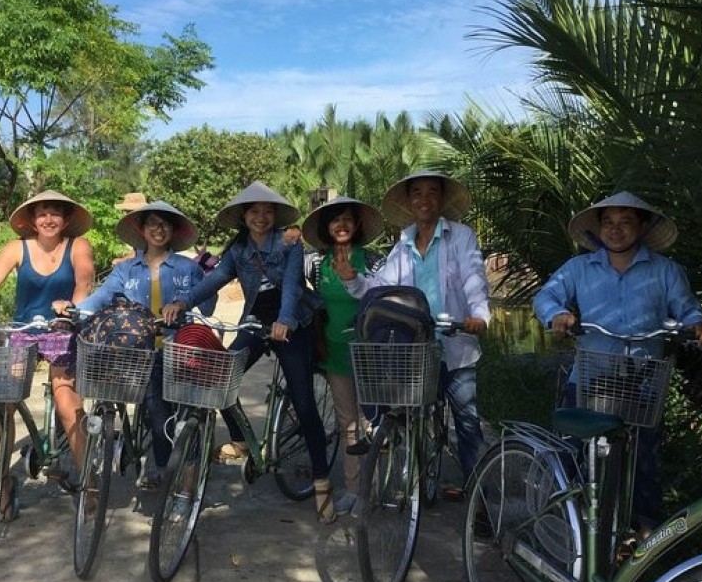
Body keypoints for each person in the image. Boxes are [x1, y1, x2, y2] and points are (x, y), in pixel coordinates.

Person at [533, 191, 702, 530]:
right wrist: (557, 314)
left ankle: (644, 538)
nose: (615, 230)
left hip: (644, 382)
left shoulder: (666, 271)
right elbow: (546, 295)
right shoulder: (579, 268)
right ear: (599, 228)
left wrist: (698, 325)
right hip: (590, 377)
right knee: (572, 451)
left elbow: (688, 308)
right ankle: (559, 522)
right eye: (608, 222)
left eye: (625, 222)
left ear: (642, 227)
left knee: (644, 460)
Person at [162, 181, 336, 523]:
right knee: (220, 374)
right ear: (244, 216)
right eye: (254, 211)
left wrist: (285, 320)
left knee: (304, 403)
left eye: (268, 211)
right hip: (255, 321)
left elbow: (291, 287)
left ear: (275, 215)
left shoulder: (290, 243)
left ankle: (321, 481)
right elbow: (215, 280)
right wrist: (182, 302)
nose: (261, 217)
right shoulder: (238, 249)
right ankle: (241, 440)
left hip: (293, 322)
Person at [331, 170, 490, 490]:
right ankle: (394, 445)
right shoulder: (403, 242)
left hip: (455, 339)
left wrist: (479, 315)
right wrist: (352, 279)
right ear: (409, 201)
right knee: (403, 405)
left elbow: (474, 279)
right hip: (416, 344)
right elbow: (380, 287)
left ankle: (480, 502)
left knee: (468, 424)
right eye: (417, 193)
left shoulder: (460, 236)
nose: (424, 199)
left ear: (442, 199)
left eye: (432, 192)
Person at [0, 190, 94, 516]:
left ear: (65, 220)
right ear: (32, 221)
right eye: (42, 214)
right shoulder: (17, 248)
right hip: (22, 331)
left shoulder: (78, 245)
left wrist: (72, 310)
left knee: (66, 403)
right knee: (2, 403)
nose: (48, 220)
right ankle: (1, 482)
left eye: (55, 214)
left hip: (62, 328)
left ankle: (89, 481)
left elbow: (85, 279)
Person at [63, 200, 216, 488]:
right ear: (142, 231)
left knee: (175, 411)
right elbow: (100, 298)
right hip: (139, 351)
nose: (160, 229)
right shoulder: (126, 270)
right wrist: (73, 310)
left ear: (173, 231)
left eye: (165, 224)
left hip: (179, 346)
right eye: (153, 224)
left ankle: (177, 472)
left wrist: (198, 291)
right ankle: (161, 464)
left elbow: (206, 306)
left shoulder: (187, 267)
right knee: (155, 408)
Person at [302, 196, 385, 516]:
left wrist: (353, 276)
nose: (342, 224)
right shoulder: (314, 263)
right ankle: (354, 488)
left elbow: (381, 295)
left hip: (369, 351)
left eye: (348, 218)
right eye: (335, 220)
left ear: (358, 224)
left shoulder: (374, 260)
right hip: (334, 351)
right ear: (326, 227)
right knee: (347, 422)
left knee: (371, 422)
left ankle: (373, 488)